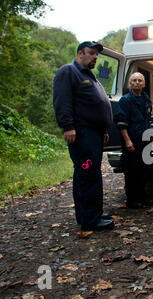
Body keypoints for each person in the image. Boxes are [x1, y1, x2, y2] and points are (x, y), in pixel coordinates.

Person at [53, 41, 114, 231]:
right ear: (80, 53)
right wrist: (68, 126)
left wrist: (104, 130)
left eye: (97, 54)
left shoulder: (91, 77)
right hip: (82, 134)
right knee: (88, 172)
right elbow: (62, 101)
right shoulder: (68, 72)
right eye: (91, 53)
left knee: (86, 172)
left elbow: (98, 105)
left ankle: (88, 213)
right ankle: (91, 220)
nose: (95, 57)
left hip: (94, 135)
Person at [114, 72, 152, 209]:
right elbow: (121, 122)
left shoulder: (146, 99)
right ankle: (132, 200)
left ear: (144, 84)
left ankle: (142, 197)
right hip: (131, 140)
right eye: (134, 80)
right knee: (132, 171)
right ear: (130, 84)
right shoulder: (125, 101)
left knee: (144, 170)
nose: (137, 83)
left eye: (140, 80)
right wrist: (127, 141)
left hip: (145, 140)